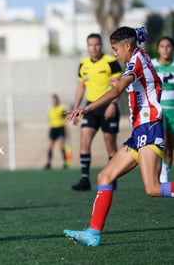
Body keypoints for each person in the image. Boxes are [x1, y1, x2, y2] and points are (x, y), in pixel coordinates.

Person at [63, 26, 169, 247]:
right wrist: (119, 82)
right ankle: (93, 233)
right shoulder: (138, 57)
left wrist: (86, 108)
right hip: (139, 133)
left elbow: (118, 90)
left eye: (115, 49)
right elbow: (135, 81)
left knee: (152, 188)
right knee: (105, 177)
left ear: (128, 46)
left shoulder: (136, 60)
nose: (114, 54)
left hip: (150, 129)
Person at [71, 33, 122, 191]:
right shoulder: (83, 64)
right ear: (87, 46)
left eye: (97, 44)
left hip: (108, 106)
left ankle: (112, 178)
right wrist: (76, 108)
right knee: (84, 140)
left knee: (110, 145)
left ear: (101, 45)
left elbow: (118, 85)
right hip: (91, 108)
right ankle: (85, 179)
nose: (94, 48)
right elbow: (81, 86)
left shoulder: (111, 61)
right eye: (91, 45)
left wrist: (113, 104)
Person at [152, 37, 174, 183]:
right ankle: (162, 175)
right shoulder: (152, 65)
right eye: (162, 46)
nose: (165, 49)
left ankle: (166, 169)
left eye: (168, 46)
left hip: (173, 110)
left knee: (170, 147)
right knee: (164, 142)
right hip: (159, 110)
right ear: (158, 49)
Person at [44, 94, 68, 169]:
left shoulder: (62, 108)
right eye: (52, 100)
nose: (53, 102)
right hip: (53, 129)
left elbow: (65, 120)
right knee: (50, 146)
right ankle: (49, 163)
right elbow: (50, 121)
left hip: (60, 128)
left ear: (57, 100)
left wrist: (66, 130)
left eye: (55, 100)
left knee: (61, 146)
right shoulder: (50, 110)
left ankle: (65, 163)